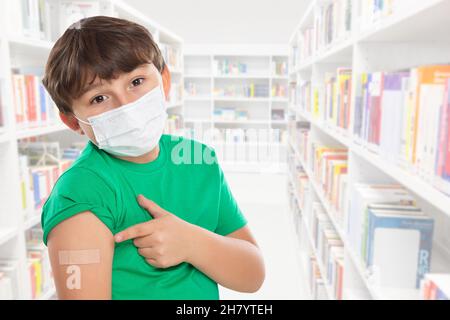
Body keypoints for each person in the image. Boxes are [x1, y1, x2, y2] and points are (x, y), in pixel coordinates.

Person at [41, 16, 265, 300]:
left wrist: (192, 243)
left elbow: (252, 275)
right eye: (99, 98)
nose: (127, 105)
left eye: (136, 81)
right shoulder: (80, 193)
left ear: (165, 81)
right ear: (72, 121)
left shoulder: (198, 158)